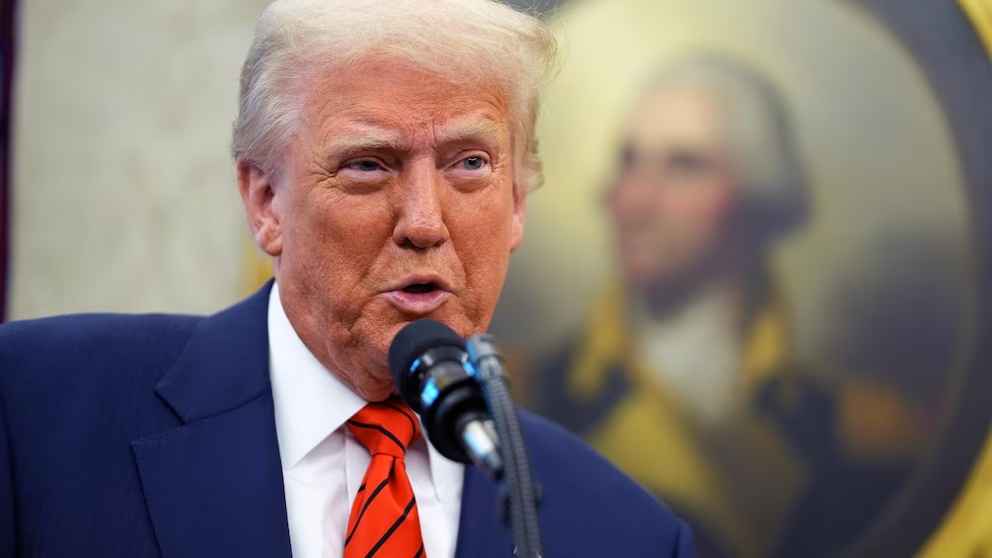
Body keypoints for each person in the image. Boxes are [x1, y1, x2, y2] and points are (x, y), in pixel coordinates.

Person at [0, 1, 694, 557]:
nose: (424, 222)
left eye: (471, 164)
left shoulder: (624, 532)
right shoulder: (35, 412)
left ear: (517, 204)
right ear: (266, 201)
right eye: (368, 164)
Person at [528, 55, 925, 557]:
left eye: (685, 166)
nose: (636, 199)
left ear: (757, 194)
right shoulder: (527, 393)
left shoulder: (865, 430)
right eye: (630, 161)